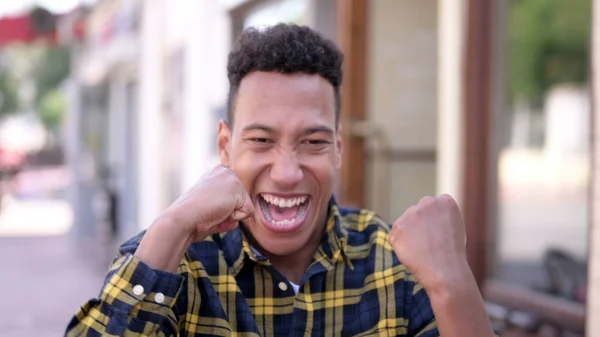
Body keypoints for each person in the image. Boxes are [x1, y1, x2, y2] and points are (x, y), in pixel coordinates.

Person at [66, 24, 495, 336]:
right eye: (261, 140)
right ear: (225, 147)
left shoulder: (396, 263)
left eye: (313, 142)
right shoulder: (171, 260)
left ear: (339, 148)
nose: (288, 173)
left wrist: (452, 281)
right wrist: (172, 223)